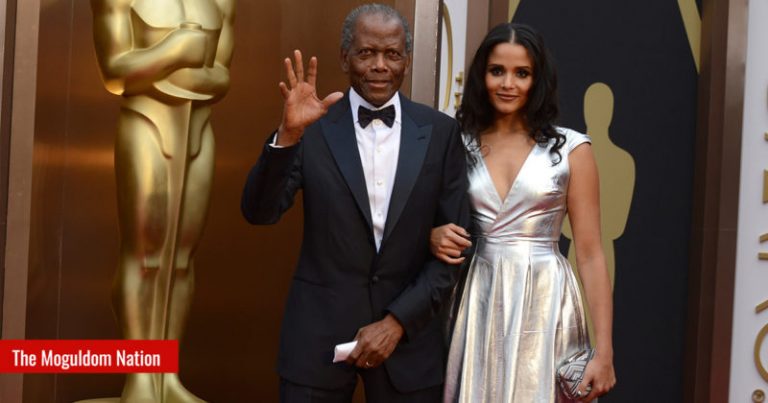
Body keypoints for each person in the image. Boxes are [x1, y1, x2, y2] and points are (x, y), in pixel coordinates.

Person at [241, 4, 468, 402]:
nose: (380, 65)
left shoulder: (440, 133)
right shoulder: (311, 128)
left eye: (392, 54)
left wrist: (397, 323)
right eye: (366, 53)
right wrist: (288, 135)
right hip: (317, 340)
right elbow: (260, 212)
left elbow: (456, 249)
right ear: (345, 57)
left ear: (407, 60)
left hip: (409, 344)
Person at [430, 23, 616, 402]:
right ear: (481, 76)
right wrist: (432, 236)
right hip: (476, 297)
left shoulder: (572, 150)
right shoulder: (456, 144)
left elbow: (591, 254)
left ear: (538, 80)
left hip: (546, 301)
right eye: (497, 70)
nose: (508, 84)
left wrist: (605, 351)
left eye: (522, 73)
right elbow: (427, 219)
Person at [91, 0, 234, 401]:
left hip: (198, 128)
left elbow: (222, 76)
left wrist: (161, 68)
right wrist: (175, 52)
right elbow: (115, 72)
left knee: (181, 258)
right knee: (144, 254)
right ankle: (140, 374)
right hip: (145, 122)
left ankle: (166, 373)